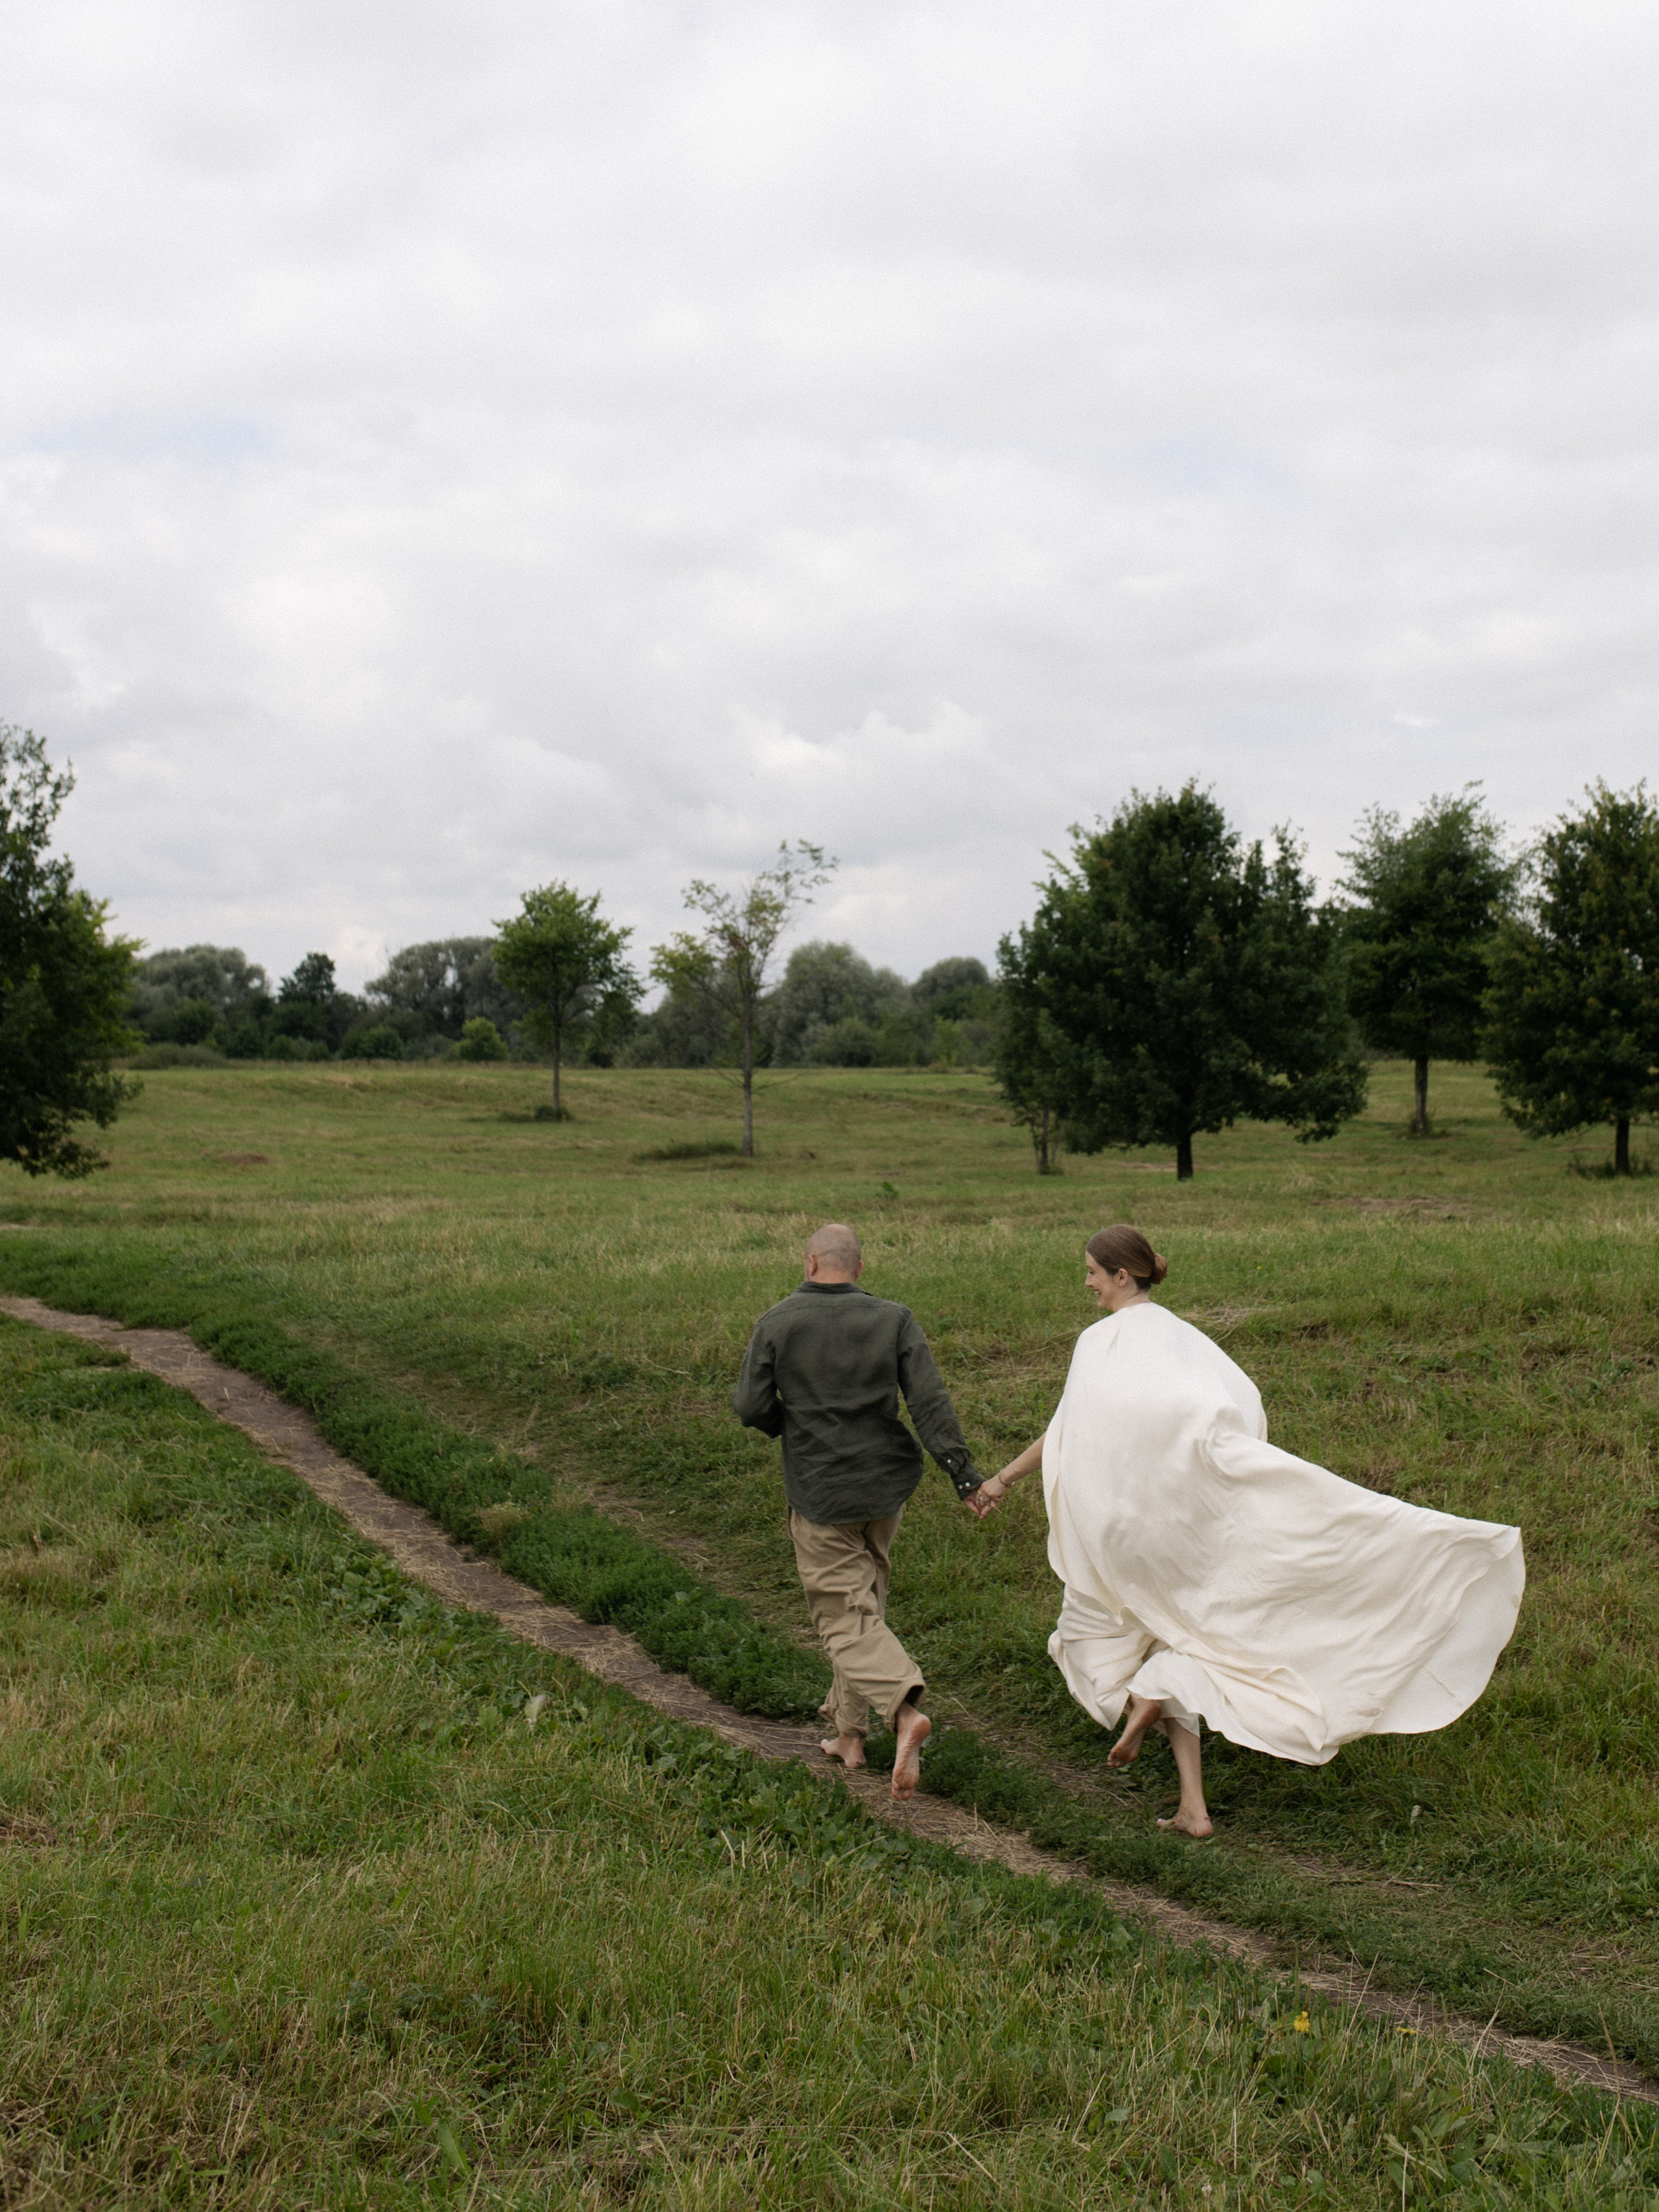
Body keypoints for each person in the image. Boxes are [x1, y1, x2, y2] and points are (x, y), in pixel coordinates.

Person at [973, 1224, 1525, 1839]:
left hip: (1121, 1533)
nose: (1088, 1284)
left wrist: (1002, 1480)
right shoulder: (1188, 1341)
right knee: (1181, 1639)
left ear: (1122, 1276)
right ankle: (1193, 1806)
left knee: (1083, 1645)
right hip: (1181, 1528)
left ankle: (1145, 1701)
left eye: (1093, 1273)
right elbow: (1236, 1407)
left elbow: (1065, 1432)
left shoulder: (1099, 1343)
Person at [732, 1221, 991, 1799]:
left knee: (843, 1618)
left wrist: (789, 1425)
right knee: (865, 1605)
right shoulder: (892, 1318)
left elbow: (750, 1405)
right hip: (884, 1490)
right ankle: (849, 1735)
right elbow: (929, 1401)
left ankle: (905, 1712)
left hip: (823, 1493)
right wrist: (963, 1474)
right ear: (859, 1267)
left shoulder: (778, 1321)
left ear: (809, 1263)